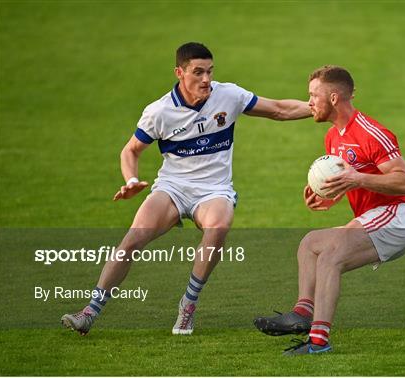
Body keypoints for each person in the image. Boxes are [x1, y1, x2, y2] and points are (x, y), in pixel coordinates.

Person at [61, 42, 311, 336]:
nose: (206, 79)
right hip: (173, 188)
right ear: (179, 72)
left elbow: (279, 110)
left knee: (218, 227)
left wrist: (319, 107)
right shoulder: (159, 112)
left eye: (209, 71)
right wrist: (131, 180)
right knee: (132, 240)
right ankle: (90, 311)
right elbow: (131, 151)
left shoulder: (228, 95)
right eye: (197, 72)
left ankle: (188, 304)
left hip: (214, 189)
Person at [254, 65, 405, 355]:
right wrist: (327, 197)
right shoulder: (333, 137)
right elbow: (350, 184)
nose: (309, 103)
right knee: (310, 244)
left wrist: (358, 177)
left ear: (332, 98)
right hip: (372, 218)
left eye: (313, 96)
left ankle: (318, 342)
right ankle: (303, 313)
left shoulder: (371, 133)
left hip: (397, 217)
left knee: (331, 257)